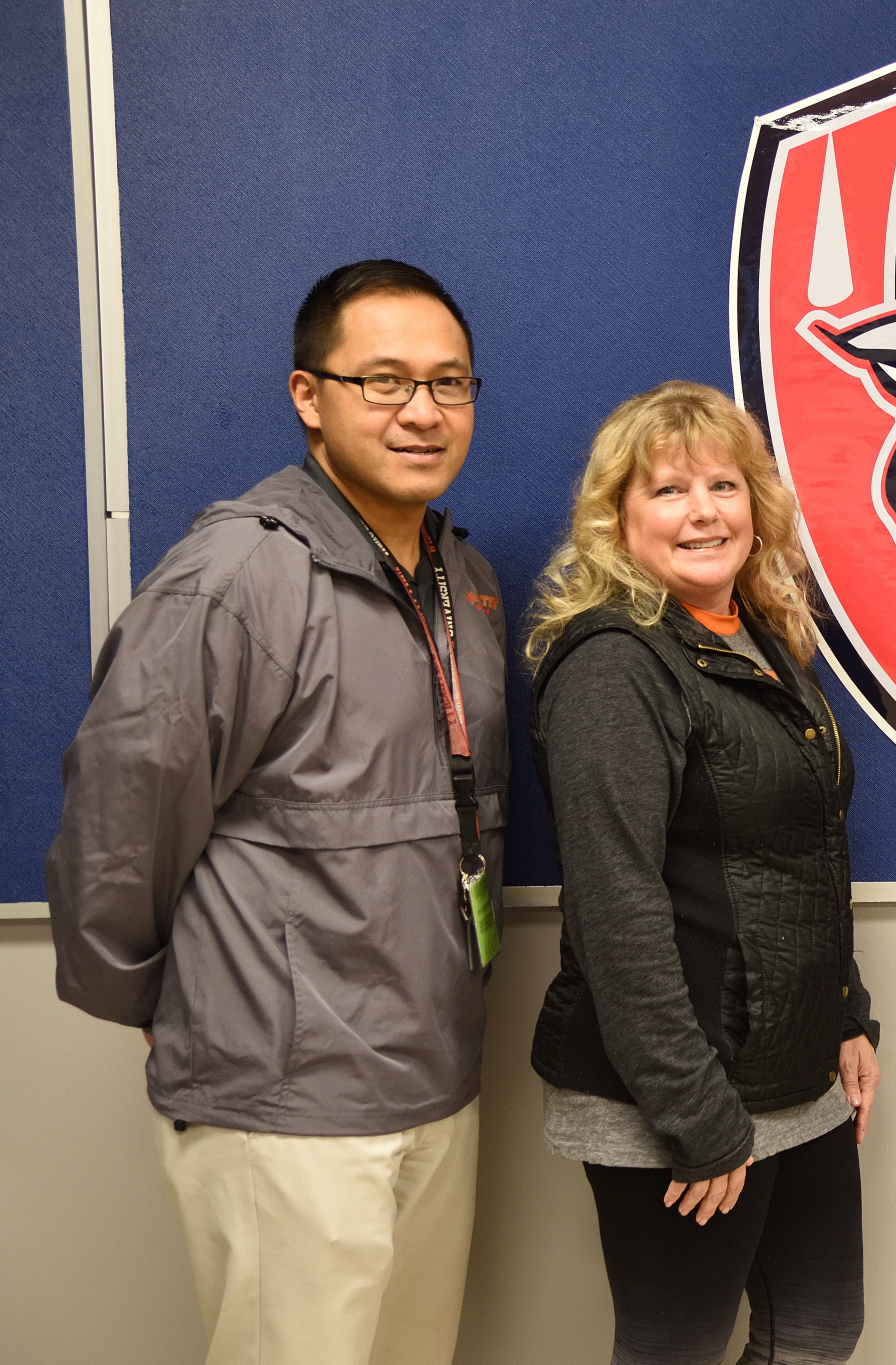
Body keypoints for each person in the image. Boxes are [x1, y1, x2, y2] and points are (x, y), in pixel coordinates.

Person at [46, 259, 508, 1365]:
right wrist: (168, 1004)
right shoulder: (238, 576)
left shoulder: (464, 577)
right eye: (382, 381)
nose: (421, 412)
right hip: (283, 1098)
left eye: (449, 384)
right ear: (309, 396)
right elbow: (118, 819)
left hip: (435, 1076)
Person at [524, 380, 880, 1365]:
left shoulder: (763, 640)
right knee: (672, 1348)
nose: (704, 512)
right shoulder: (614, 666)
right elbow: (616, 906)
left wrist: (845, 1013)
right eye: (669, 491)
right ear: (615, 520)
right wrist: (695, 1116)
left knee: (816, 1330)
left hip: (792, 1071)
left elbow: (800, 854)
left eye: (724, 485)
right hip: (681, 1092)